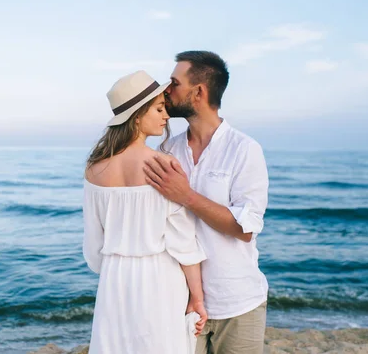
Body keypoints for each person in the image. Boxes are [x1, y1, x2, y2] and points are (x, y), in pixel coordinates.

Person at [143, 51, 270, 354]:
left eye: (174, 83)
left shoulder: (244, 149)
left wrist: (187, 196)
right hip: (180, 301)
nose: (166, 90)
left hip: (237, 301)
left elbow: (246, 229)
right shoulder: (168, 149)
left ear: (198, 92)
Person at [82, 70, 208, 354]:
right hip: (159, 277)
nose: (166, 117)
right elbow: (183, 241)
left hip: (114, 279)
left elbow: (93, 245)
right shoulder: (164, 165)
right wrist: (197, 298)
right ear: (137, 116)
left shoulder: (93, 169)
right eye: (160, 109)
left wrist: (117, 268)